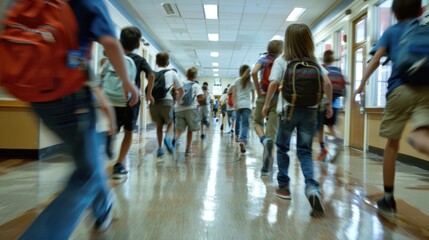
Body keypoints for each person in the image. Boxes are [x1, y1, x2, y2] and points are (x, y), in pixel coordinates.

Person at [19, 0, 139, 239]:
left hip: (36, 95)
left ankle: (102, 209)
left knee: (90, 156)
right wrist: (127, 82)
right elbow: (109, 42)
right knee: (87, 174)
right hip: (69, 97)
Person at [354, 0, 429, 215]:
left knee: (392, 145)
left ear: (394, 14)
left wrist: (361, 85)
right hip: (426, 89)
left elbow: (376, 60)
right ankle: (420, 138)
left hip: (399, 89)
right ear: (421, 11)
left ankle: (388, 200)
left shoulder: (392, 31)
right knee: (424, 134)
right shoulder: (425, 29)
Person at [262, 23, 333, 215]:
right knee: (304, 151)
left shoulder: (282, 60)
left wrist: (266, 104)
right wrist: (329, 105)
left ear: (289, 41)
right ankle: (312, 187)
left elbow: (274, 83)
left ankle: (284, 186)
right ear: (309, 41)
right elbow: (327, 83)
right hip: (310, 111)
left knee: (283, 147)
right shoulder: (314, 61)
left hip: (288, 110)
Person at [107, 26, 155, 179]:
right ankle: (119, 164)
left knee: (113, 127)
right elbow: (151, 75)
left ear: (120, 41)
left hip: (112, 99)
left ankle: (109, 140)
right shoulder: (139, 60)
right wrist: (148, 94)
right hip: (130, 101)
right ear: (137, 45)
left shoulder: (114, 56)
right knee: (128, 132)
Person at [251, 39, 283, 175]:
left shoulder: (263, 59)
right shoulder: (282, 61)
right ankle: (266, 166)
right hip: (277, 98)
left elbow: (253, 72)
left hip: (263, 96)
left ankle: (263, 140)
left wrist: (258, 91)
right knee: (272, 134)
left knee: (257, 122)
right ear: (281, 50)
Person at [149, 51, 183, 157]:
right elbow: (181, 89)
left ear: (156, 62)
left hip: (154, 102)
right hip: (166, 101)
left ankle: (159, 149)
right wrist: (178, 100)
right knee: (171, 122)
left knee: (159, 125)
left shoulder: (152, 72)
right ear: (168, 62)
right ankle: (167, 138)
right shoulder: (172, 73)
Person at [316, 50, 346, 161]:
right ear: (333, 60)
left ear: (324, 59)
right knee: (331, 125)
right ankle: (338, 140)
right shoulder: (338, 70)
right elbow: (344, 88)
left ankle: (323, 149)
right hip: (336, 103)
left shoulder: (322, 69)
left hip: (323, 102)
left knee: (320, 126)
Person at [174, 67, 204, 156]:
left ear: (186, 74)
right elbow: (201, 96)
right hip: (191, 109)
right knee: (190, 130)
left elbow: (175, 92)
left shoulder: (181, 83)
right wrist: (198, 102)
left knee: (179, 129)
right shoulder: (196, 85)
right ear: (195, 76)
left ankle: (174, 140)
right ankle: (188, 150)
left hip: (179, 109)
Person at [231, 65, 255, 154]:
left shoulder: (236, 81)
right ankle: (243, 140)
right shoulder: (250, 82)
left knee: (238, 120)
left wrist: (234, 103)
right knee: (245, 124)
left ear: (240, 72)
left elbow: (234, 94)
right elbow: (253, 94)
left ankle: (237, 135)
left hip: (238, 105)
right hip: (247, 105)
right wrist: (252, 103)